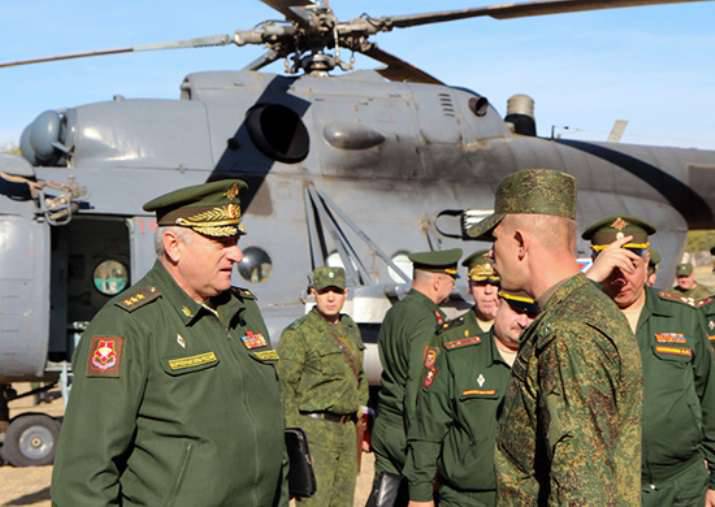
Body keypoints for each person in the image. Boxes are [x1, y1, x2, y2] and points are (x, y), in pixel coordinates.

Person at [51, 180, 288, 507]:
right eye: (221, 240)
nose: (236, 253)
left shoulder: (244, 310)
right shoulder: (128, 325)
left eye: (235, 239)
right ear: (174, 246)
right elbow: (85, 472)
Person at [467, 168, 642, 505]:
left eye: (495, 240)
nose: (491, 254)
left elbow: (581, 484)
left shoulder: (568, 331)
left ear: (519, 243)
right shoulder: (582, 310)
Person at [584, 216, 715, 506]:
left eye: (632, 264)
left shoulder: (683, 316)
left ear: (647, 263)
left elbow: (710, 396)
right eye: (612, 266)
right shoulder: (579, 320)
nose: (621, 276)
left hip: (683, 484)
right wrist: (587, 283)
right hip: (610, 486)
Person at [403, 290, 538, 507]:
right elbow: (427, 430)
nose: (523, 321)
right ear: (498, 304)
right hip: (465, 499)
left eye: (532, 314)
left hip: (529, 499)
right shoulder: (458, 358)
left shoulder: (545, 362)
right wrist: (420, 495)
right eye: (516, 310)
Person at [366, 248, 462, 507]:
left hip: (387, 422)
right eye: (452, 281)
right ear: (438, 281)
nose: (452, 288)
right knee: (420, 496)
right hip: (408, 427)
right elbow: (418, 382)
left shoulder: (395, 312)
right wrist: (420, 436)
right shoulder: (426, 319)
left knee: (385, 494)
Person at [277, 266, 368, 507]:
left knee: (343, 500)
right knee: (315, 501)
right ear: (313, 293)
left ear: (345, 293)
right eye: (324, 291)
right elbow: (285, 388)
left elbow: (359, 375)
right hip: (314, 431)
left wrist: (362, 415)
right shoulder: (299, 333)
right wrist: (293, 441)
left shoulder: (350, 328)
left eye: (336, 291)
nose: (330, 297)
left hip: (347, 429)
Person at [462, 250, 501, 332]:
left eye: (495, 283)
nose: (488, 291)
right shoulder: (450, 334)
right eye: (481, 283)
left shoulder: (523, 331)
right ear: (470, 287)